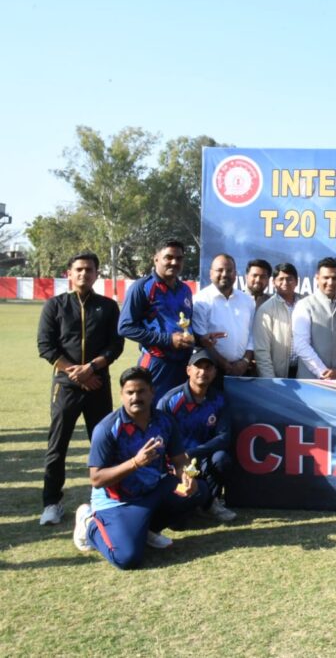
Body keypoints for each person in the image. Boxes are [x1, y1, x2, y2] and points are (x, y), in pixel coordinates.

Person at [72, 367, 209, 570]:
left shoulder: (164, 421)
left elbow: (180, 460)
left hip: (152, 490)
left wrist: (187, 477)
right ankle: (88, 524)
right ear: (122, 394)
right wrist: (135, 463)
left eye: (141, 391)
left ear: (152, 392)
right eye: (130, 392)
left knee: (199, 491)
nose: (135, 397)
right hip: (118, 502)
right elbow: (97, 479)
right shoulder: (107, 428)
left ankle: (148, 529)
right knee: (126, 558)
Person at [37, 251, 124, 525]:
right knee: (57, 445)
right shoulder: (55, 305)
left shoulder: (108, 306)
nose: (84, 274)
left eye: (89, 269)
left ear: (97, 274)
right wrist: (78, 374)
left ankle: (106, 497)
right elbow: (46, 346)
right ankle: (51, 503)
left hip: (98, 384)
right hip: (66, 386)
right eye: (79, 269)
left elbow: (116, 345)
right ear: (70, 273)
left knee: (104, 443)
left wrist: (92, 368)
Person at [157, 349, 235, 522]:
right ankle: (190, 503)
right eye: (198, 367)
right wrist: (177, 459)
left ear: (214, 372)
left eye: (208, 368)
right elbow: (159, 437)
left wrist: (194, 452)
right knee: (179, 521)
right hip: (175, 462)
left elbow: (224, 436)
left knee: (221, 459)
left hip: (203, 457)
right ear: (188, 370)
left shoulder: (220, 399)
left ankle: (210, 503)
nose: (203, 372)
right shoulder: (170, 400)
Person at [118, 239, 195, 401]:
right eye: (169, 257)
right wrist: (167, 340)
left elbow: (188, 324)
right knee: (150, 410)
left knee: (178, 410)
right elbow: (125, 327)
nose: (174, 262)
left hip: (183, 364)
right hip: (156, 362)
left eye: (179, 258)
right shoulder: (142, 287)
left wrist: (199, 338)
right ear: (156, 259)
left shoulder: (185, 289)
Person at [192, 254, 256, 381]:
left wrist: (245, 361)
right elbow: (202, 339)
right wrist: (224, 365)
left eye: (229, 270)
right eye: (220, 270)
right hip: (212, 370)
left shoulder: (247, 300)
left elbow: (252, 335)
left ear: (235, 274)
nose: (225, 274)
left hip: (243, 370)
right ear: (210, 273)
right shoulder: (200, 300)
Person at [292, 257, 336, 380]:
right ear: (317, 278)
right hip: (310, 380)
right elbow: (300, 344)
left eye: (334, 278)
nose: (330, 282)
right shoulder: (304, 305)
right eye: (326, 277)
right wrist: (322, 372)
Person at [253, 262, 300, 378]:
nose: (285, 283)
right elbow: (262, 351)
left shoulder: (306, 305)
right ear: (273, 282)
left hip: (304, 373)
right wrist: (270, 381)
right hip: (278, 375)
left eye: (289, 279)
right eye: (281, 279)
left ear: (296, 282)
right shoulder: (266, 310)